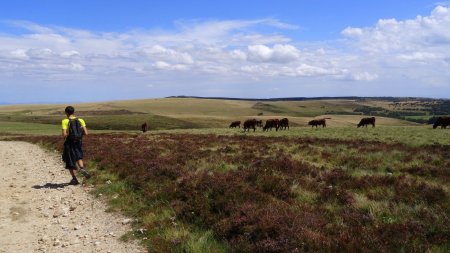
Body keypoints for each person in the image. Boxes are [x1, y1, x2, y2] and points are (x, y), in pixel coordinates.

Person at [62, 106, 90, 185]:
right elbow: (86, 133)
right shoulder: (80, 120)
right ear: (74, 112)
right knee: (78, 156)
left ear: (66, 113)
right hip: (78, 142)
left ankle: (74, 179)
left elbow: (64, 134)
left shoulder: (65, 121)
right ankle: (82, 168)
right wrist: (78, 135)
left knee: (70, 160)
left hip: (69, 143)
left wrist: (69, 134)